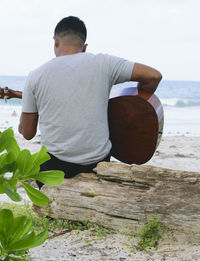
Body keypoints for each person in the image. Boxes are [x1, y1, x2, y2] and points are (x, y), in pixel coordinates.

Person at [18, 16, 162, 189]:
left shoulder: (35, 76)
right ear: (84, 47)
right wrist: (136, 108)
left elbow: (27, 133)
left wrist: (32, 112)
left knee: (41, 163)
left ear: (55, 42)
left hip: (55, 168)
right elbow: (154, 76)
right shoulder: (104, 63)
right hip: (97, 165)